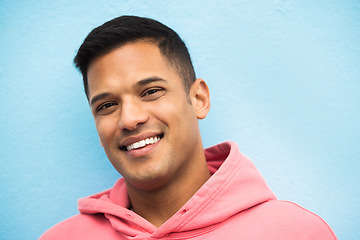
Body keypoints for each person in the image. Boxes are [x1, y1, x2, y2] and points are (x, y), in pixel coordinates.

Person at [40, 15, 337, 239]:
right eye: (106, 106)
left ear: (198, 99)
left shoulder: (297, 232)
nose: (129, 119)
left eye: (151, 91)